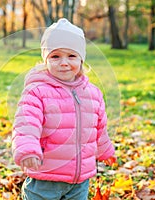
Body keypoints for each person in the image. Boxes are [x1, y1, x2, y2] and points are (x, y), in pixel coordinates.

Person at [12, 18, 116, 200]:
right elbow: (26, 123)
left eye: (71, 56)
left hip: (80, 181)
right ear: (45, 60)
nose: (64, 62)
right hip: (45, 178)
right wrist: (28, 150)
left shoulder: (93, 94)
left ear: (81, 59)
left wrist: (105, 150)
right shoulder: (37, 92)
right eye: (55, 56)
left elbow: (99, 129)